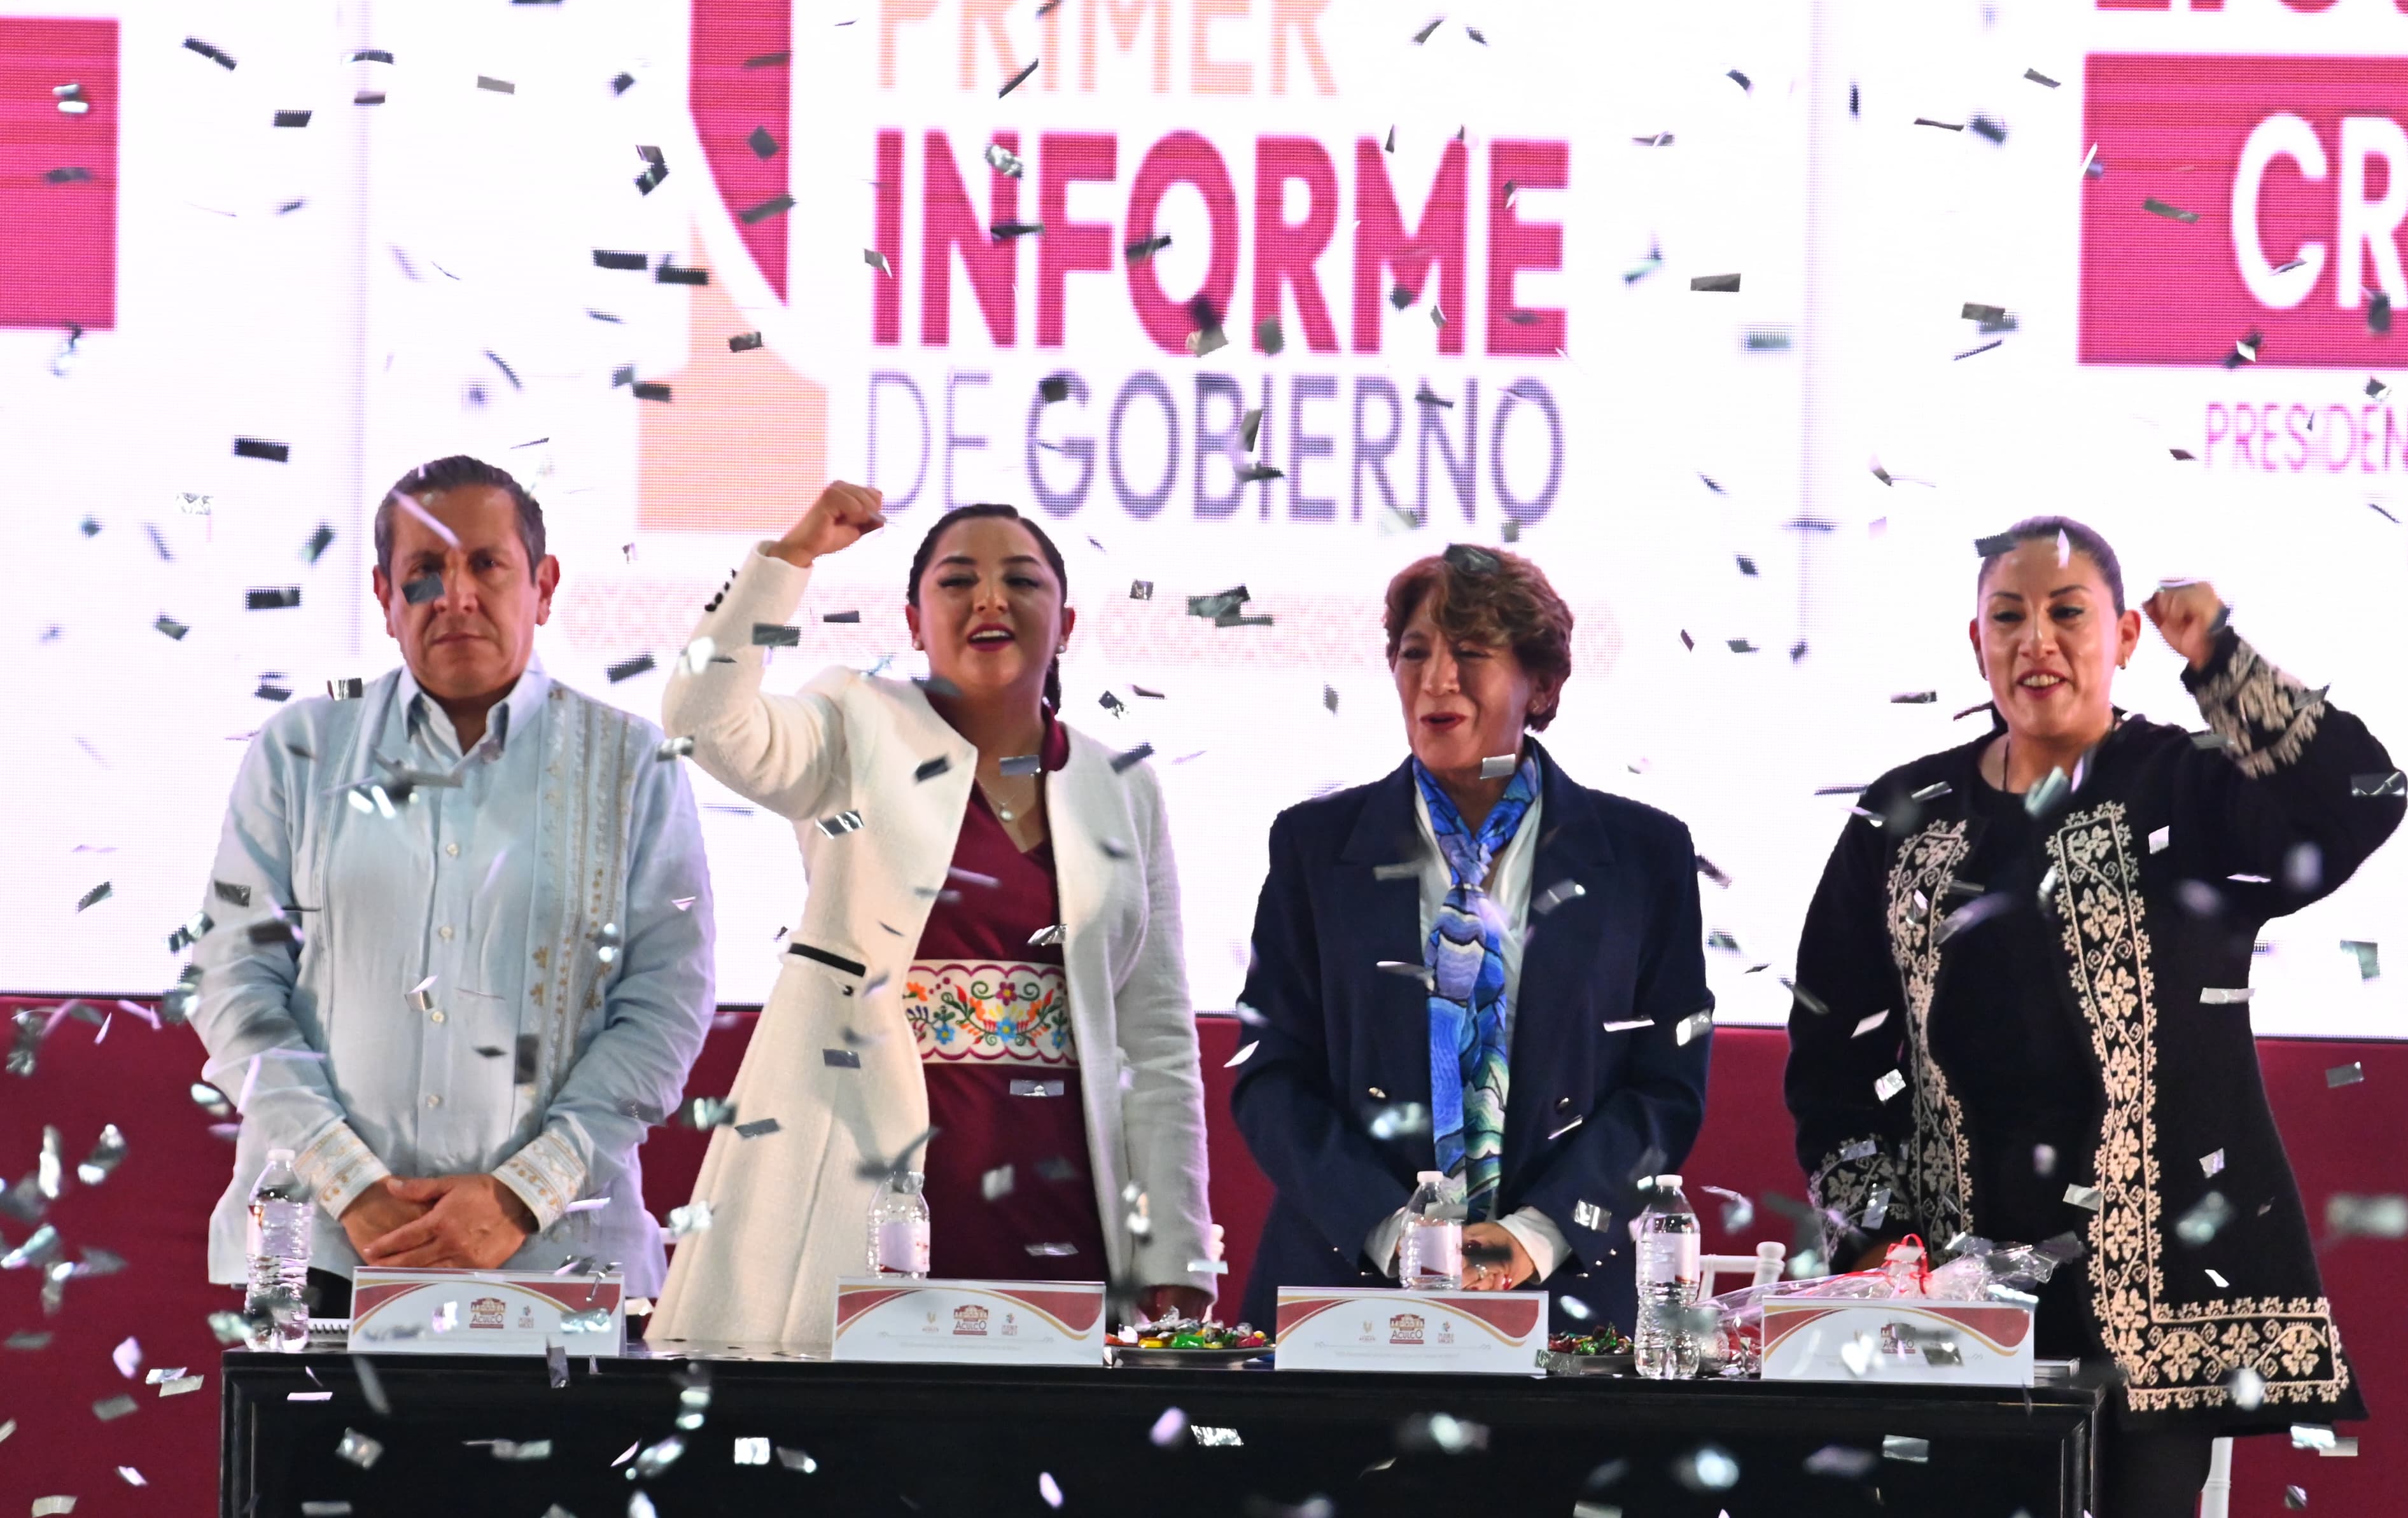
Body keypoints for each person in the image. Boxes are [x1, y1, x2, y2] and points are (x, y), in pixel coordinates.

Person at [1785, 516, 2405, 1518]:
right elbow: (1833, 1047)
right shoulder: (1903, 817)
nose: (2038, 640)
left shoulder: (2189, 787)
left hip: (2160, 1277)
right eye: (2009, 616)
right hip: (1957, 1281)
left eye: (2068, 613)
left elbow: (2361, 795)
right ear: (1975, 643)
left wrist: (2221, 657)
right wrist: (1880, 1234)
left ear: (2122, 636)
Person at [647, 487, 1214, 1354]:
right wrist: (789, 559)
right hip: (859, 1198)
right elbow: (703, 721)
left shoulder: (1123, 785)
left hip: (1063, 1212)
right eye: (957, 582)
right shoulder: (853, 724)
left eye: (1021, 581)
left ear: (1066, 625)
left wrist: (1176, 1248)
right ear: (914, 623)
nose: (990, 600)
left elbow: (1158, 1040)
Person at [192, 456, 715, 1314]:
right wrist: (351, 1186)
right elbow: (232, 985)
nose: (456, 596)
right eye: (425, 571)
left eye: (486, 564)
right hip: (320, 1250)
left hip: (560, 1256)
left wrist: (520, 1195)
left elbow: (666, 1004)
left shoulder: (633, 766)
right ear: (384, 594)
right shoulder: (301, 751)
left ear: (544, 586)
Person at [1230, 545, 1713, 1333]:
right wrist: (1398, 1232)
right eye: (1414, 652)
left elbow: (1666, 1088)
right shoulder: (1314, 847)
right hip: (1343, 1291)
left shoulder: (1641, 855)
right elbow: (1269, 1075)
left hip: (1565, 1300)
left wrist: (1537, 1235)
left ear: (1541, 685)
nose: (1436, 679)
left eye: (1471, 653)